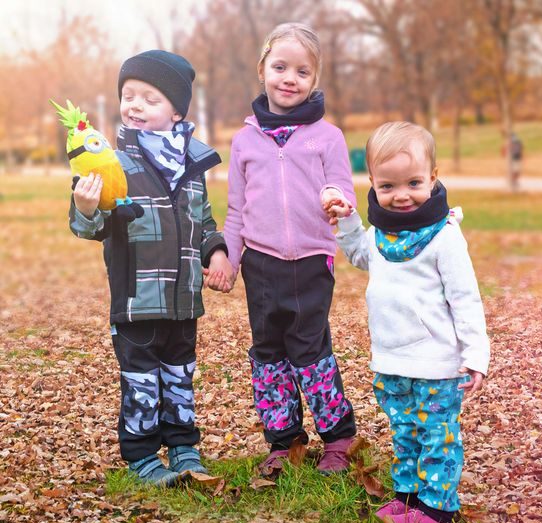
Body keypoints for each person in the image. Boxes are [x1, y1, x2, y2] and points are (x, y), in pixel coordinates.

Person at [69, 50, 234, 487]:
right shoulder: (112, 164)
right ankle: (142, 457)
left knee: (179, 377)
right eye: (128, 96)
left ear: (177, 110)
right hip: (136, 301)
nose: (135, 105)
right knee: (142, 381)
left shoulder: (193, 166)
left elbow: (204, 222)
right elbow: (92, 226)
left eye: (149, 98)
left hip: (183, 301)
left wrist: (215, 253)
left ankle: (184, 448)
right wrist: (85, 207)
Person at [321, 121, 490, 523]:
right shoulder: (382, 233)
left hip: (436, 363)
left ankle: (438, 510)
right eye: (388, 186)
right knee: (405, 430)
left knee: (436, 436)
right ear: (374, 185)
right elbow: (362, 255)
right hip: (392, 358)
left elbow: (465, 298)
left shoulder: (444, 237)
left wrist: (475, 356)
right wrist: (346, 222)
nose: (401, 195)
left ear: (433, 179)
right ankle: (410, 496)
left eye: (413, 182)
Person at [224, 23, 357, 476]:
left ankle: (339, 436)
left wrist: (337, 198)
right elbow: (236, 211)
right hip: (261, 265)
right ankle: (284, 440)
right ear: (262, 69)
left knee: (308, 348)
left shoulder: (327, 136)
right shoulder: (244, 141)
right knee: (268, 351)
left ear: (314, 80)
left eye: (302, 71)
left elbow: (342, 183)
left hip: (310, 262)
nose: (289, 78)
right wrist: (230, 257)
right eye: (280, 67)